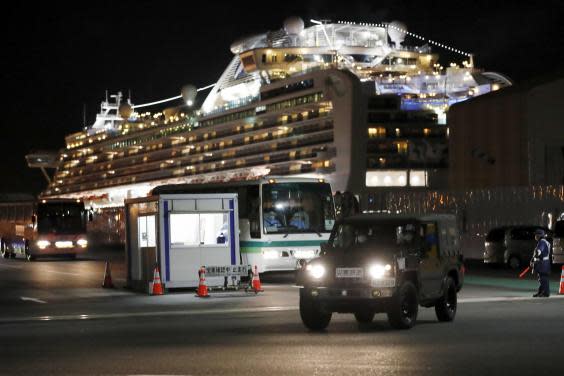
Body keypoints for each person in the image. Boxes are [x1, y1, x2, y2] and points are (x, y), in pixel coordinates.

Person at [531, 229, 551, 297]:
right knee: (542, 277)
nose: (535, 236)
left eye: (536, 235)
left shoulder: (542, 242)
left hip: (543, 263)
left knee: (543, 278)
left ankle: (545, 293)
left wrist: (534, 259)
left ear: (539, 235)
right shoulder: (544, 241)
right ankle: (541, 292)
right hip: (545, 262)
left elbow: (539, 252)